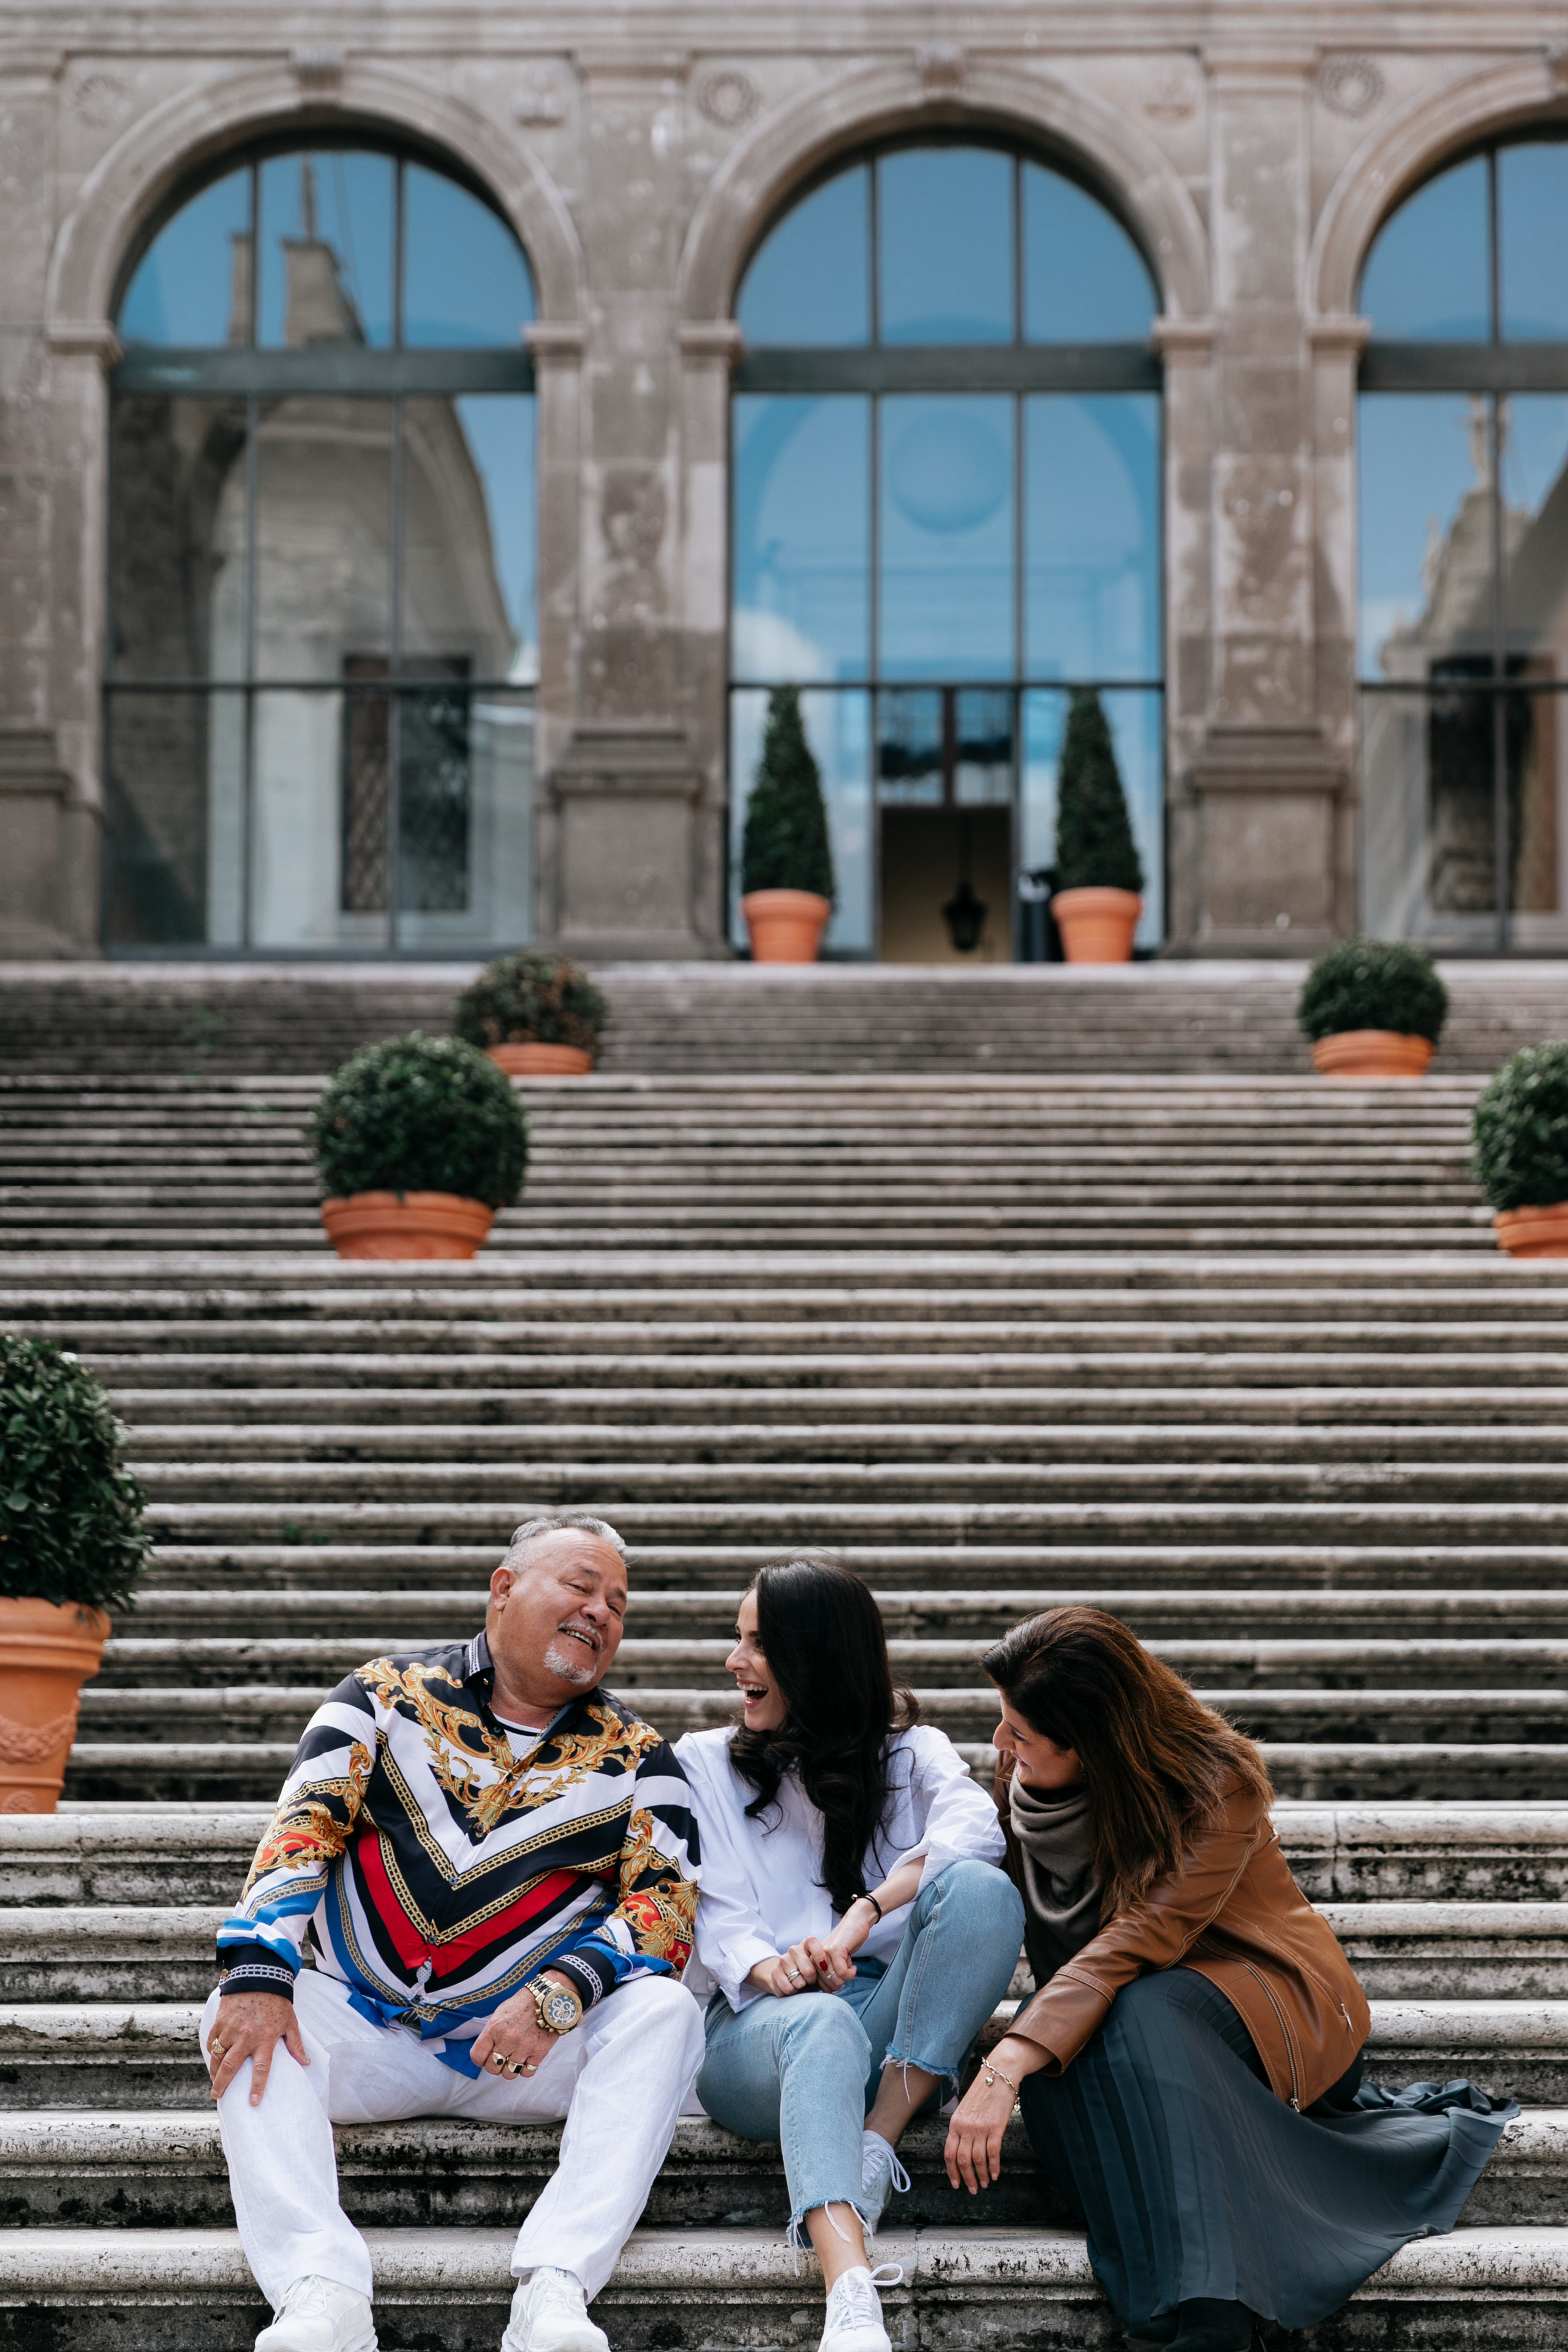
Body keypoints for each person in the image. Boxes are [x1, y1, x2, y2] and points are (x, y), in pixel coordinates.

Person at [943, 1607, 1517, 2352]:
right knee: (1063, 2064)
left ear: (1091, 1747)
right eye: (1003, 1723)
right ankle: (1158, 2309)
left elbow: (1143, 1936)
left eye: (1018, 1733)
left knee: (1126, 2014)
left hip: (1267, 2004)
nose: (999, 1744)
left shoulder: (1215, 1782)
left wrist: (1008, 2057)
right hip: (1126, 2015)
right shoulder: (1023, 1773)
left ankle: (1213, 2314)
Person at [201, 1513, 703, 2352]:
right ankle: (320, 2292)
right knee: (235, 2002)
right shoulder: (383, 1695)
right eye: (581, 1587)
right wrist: (260, 1967)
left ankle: (556, 2288)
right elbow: (304, 1827)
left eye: (618, 1603)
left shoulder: (639, 1757)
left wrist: (558, 1994)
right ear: (504, 1589)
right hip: (365, 2032)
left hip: (526, 2057)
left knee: (668, 2016)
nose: (601, 1613)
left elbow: (666, 1912)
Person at [676, 1557, 1025, 2352]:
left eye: (758, 1645)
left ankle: (876, 2142)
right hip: (757, 2036)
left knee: (981, 1892)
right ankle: (851, 2295)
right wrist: (781, 1969)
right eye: (737, 1640)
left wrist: (863, 1916)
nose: (735, 1663)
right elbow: (721, 1922)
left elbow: (976, 1833)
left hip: (892, 2031)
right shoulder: (703, 1763)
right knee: (819, 2025)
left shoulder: (912, 1753)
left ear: (816, 1657)